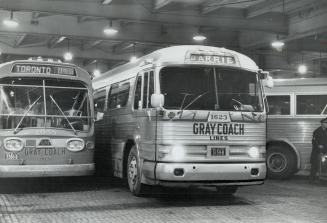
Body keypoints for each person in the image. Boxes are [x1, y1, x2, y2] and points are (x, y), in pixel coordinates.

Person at [309, 117, 327, 183]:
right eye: (326, 123)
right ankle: (311, 180)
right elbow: (313, 141)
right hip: (316, 152)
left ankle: (322, 180)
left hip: (325, 151)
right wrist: (318, 146)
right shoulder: (316, 131)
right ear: (322, 124)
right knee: (314, 165)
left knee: (324, 165)